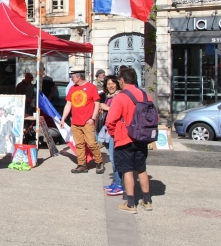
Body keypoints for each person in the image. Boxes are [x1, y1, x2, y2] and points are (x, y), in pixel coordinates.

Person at [106, 68, 153, 214]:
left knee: (127, 170)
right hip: (142, 138)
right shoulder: (146, 95)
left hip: (124, 138)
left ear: (122, 80)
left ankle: (131, 203)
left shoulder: (120, 97)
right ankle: (147, 201)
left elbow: (110, 120)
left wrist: (114, 134)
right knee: (141, 168)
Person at [59, 65, 104, 174]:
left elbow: (97, 104)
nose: (71, 78)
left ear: (79, 77)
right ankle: (82, 164)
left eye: (73, 76)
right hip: (75, 122)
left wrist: (93, 118)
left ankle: (99, 162)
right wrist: (63, 119)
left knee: (91, 143)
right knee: (79, 144)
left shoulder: (91, 87)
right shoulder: (72, 89)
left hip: (88, 121)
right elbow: (68, 105)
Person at [98, 75, 123, 196]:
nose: (111, 86)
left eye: (113, 83)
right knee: (112, 156)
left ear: (118, 84)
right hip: (108, 129)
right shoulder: (109, 97)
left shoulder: (119, 96)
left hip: (116, 130)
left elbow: (118, 112)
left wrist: (106, 107)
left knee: (114, 158)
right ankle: (116, 181)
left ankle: (119, 184)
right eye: (108, 84)